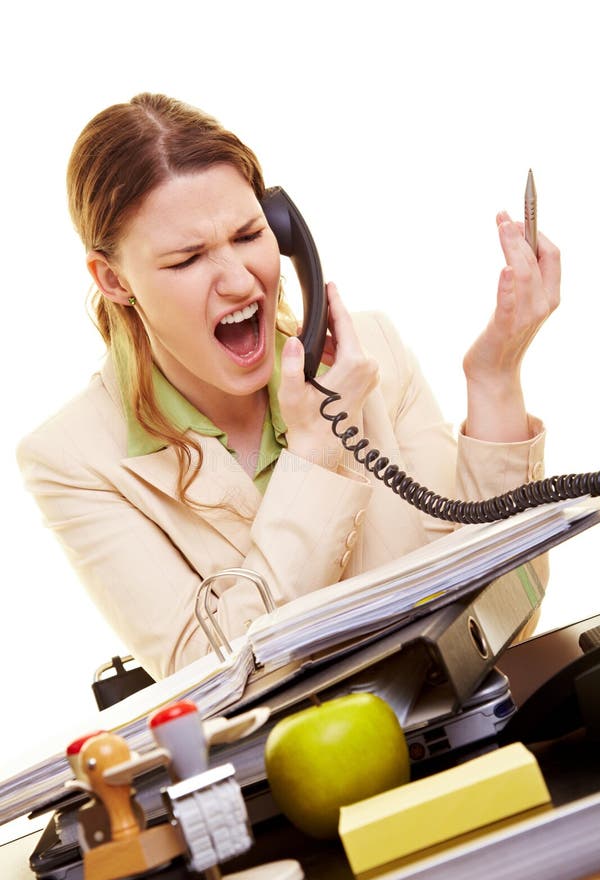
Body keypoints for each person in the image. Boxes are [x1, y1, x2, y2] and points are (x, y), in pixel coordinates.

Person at [17, 93, 560, 680]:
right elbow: (217, 675)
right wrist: (317, 456)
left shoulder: (369, 356)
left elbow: (509, 614)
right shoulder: (74, 460)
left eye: (250, 235)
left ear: (283, 229)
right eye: (187, 259)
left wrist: (497, 376)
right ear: (113, 279)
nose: (238, 280)